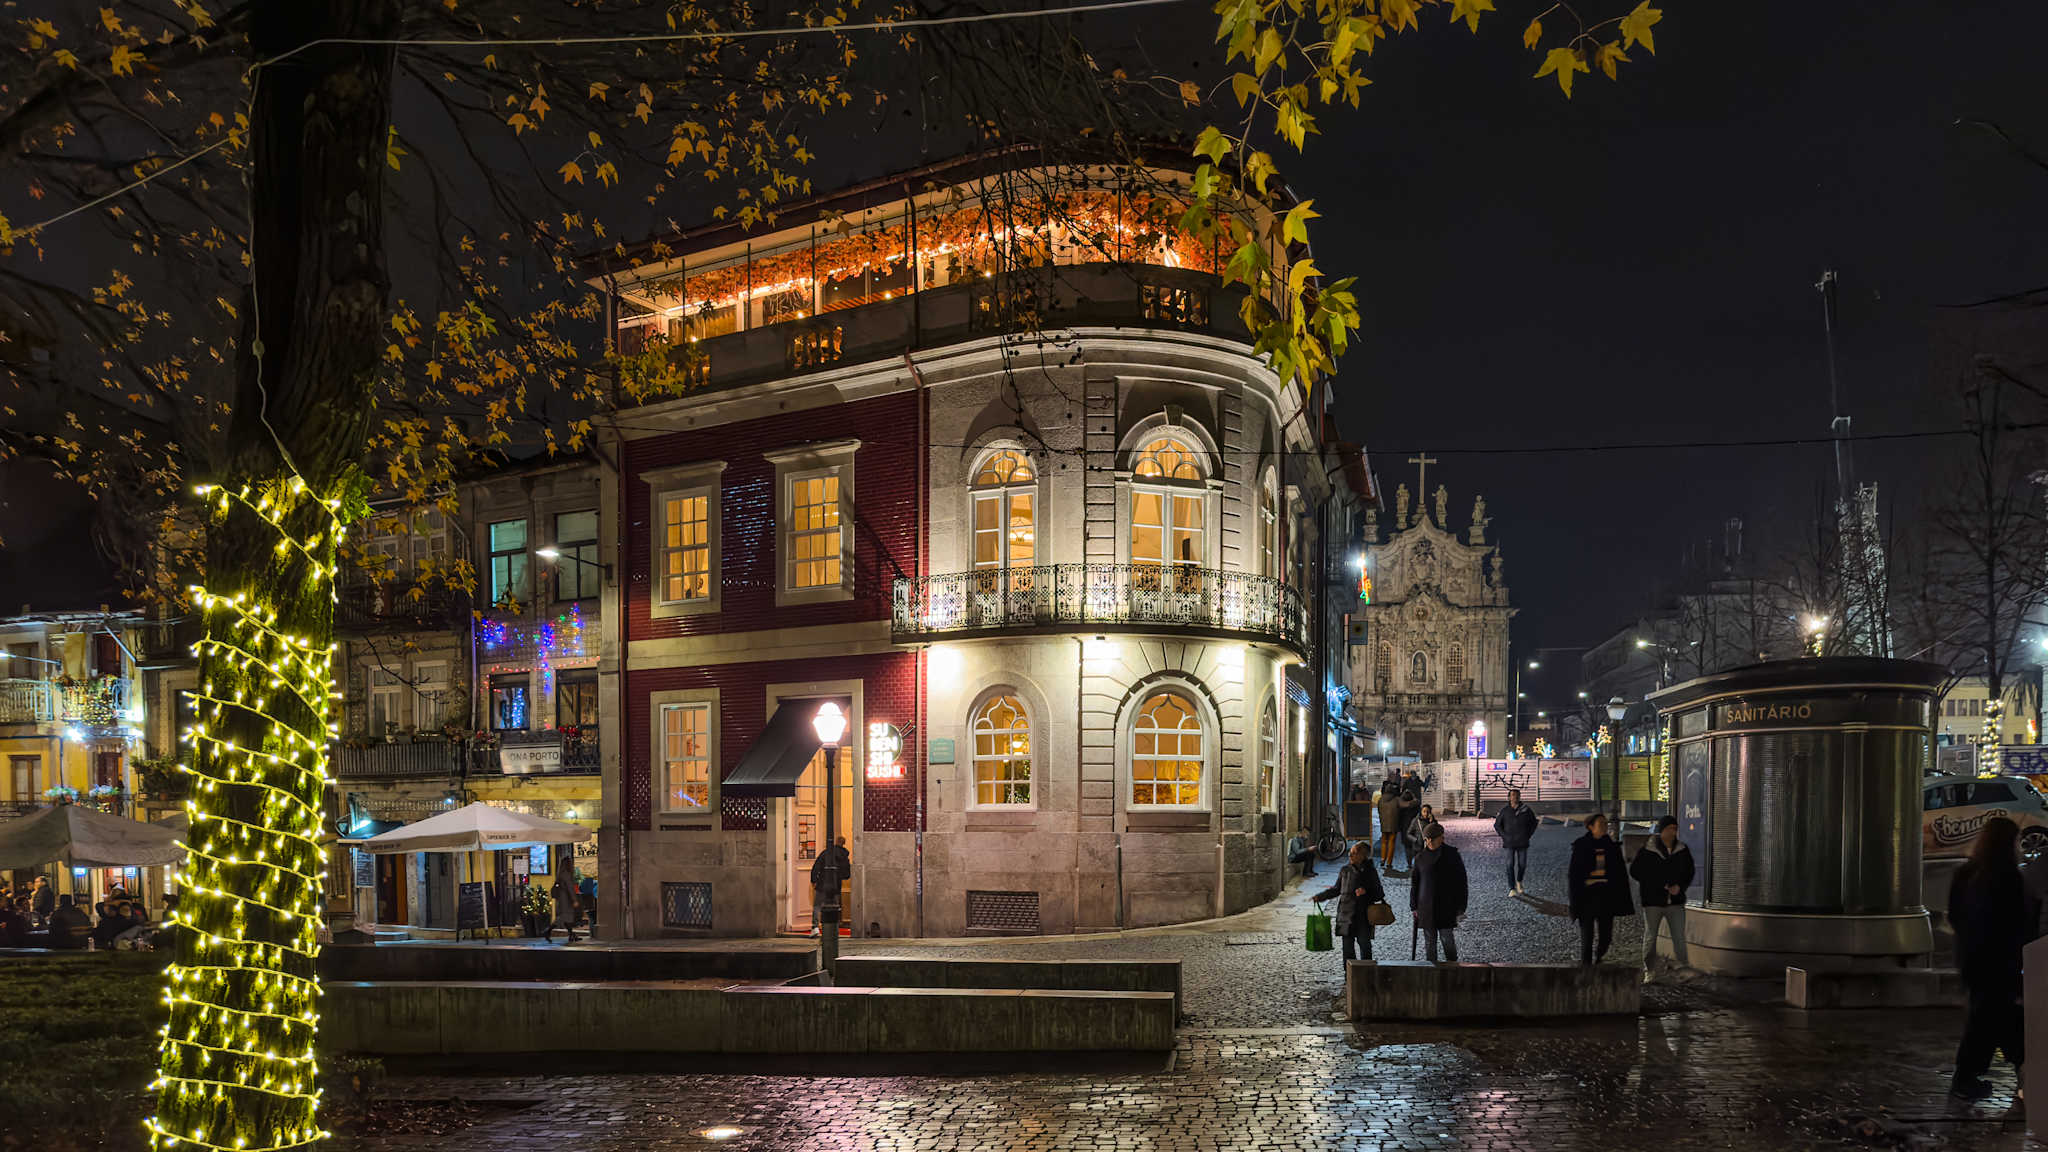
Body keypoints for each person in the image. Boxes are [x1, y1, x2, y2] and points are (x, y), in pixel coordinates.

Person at [1949, 815, 2027, 1103]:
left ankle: (2012, 1063)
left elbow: (1955, 914)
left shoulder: (1966, 873)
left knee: (1989, 1015)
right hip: (1999, 961)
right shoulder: (2009, 878)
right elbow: (2017, 924)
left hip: (1972, 957)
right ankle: (1976, 1074)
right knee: (1993, 1017)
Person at [1630, 815, 1694, 970]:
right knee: (1651, 936)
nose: (1673, 832)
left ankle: (1683, 967)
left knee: (1679, 937)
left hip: (1676, 901)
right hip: (1653, 901)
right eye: (1670, 828)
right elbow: (1636, 871)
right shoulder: (1648, 850)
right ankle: (1649, 969)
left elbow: (1689, 871)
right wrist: (1659, 885)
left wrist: (1680, 886)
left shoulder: (1682, 849)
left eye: (1675, 828)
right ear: (1662, 830)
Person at [1568, 813, 1633, 966]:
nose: (1605, 827)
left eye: (1606, 824)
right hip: (1587, 896)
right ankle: (1586, 966)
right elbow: (1574, 874)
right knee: (1587, 934)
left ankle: (1599, 957)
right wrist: (1575, 898)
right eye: (1601, 824)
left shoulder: (1611, 846)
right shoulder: (1582, 845)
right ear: (1591, 827)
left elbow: (1619, 873)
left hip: (1605, 895)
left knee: (1606, 935)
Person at [1312, 841, 1386, 964]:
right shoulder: (1345, 870)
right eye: (1350, 853)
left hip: (1363, 916)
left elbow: (1379, 893)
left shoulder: (1370, 872)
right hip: (1345, 915)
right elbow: (1336, 889)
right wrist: (1320, 897)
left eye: (1354, 853)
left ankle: (1366, 972)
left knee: (1365, 945)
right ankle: (1349, 975)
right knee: (1347, 949)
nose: (1350, 855)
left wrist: (1365, 892)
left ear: (1363, 855)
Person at [1409, 822, 1467, 962]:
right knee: (1430, 943)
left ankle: (1453, 968)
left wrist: (1461, 906)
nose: (1442, 839)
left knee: (1447, 940)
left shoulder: (1452, 854)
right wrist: (1414, 906)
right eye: (1428, 839)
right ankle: (1432, 971)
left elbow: (1461, 882)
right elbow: (1415, 883)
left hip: (1446, 904)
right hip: (1426, 906)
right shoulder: (1420, 858)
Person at [1493, 789, 1539, 895]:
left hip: (1523, 842)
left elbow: (1534, 823)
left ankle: (1519, 881)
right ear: (1509, 797)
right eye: (1513, 795)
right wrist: (1504, 836)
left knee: (1522, 864)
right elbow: (1497, 825)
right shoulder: (1505, 810)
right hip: (1509, 843)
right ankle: (1512, 888)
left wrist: (1528, 835)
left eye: (1517, 795)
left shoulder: (1526, 810)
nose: (1515, 797)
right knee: (1510, 865)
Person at [811, 835, 851, 937]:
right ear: (843, 843)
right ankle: (835, 929)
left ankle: (815, 927)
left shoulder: (826, 853)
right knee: (835, 907)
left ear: (835, 842)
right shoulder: (844, 857)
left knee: (817, 906)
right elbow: (847, 875)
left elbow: (817, 865)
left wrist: (814, 879)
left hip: (822, 883)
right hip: (836, 886)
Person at [1393, 771, 1423, 871]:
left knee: (1407, 847)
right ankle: (1416, 862)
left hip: (1405, 829)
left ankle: (1409, 863)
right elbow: (1417, 801)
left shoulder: (1401, 807)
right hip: (1415, 830)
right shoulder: (1415, 805)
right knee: (1416, 845)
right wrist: (1413, 795)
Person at [546, 867, 581, 943]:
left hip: (561, 899)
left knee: (566, 918)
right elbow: (570, 888)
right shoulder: (566, 874)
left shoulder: (560, 874)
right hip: (566, 900)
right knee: (564, 918)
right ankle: (547, 931)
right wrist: (574, 900)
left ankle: (572, 935)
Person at [1376, 771, 1403, 870]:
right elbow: (1405, 805)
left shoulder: (1380, 799)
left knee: (1384, 841)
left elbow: (1378, 810)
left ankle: (1383, 858)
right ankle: (1389, 862)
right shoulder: (1396, 799)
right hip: (1394, 824)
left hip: (1384, 823)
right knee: (1391, 842)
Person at [1403, 803, 1437, 870]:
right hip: (1418, 847)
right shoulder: (1416, 821)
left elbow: (1437, 831)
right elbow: (1408, 833)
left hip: (1429, 847)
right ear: (1421, 812)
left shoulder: (1433, 821)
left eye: (1428, 812)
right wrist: (1415, 840)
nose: (1426, 814)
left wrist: (1432, 822)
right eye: (1424, 811)